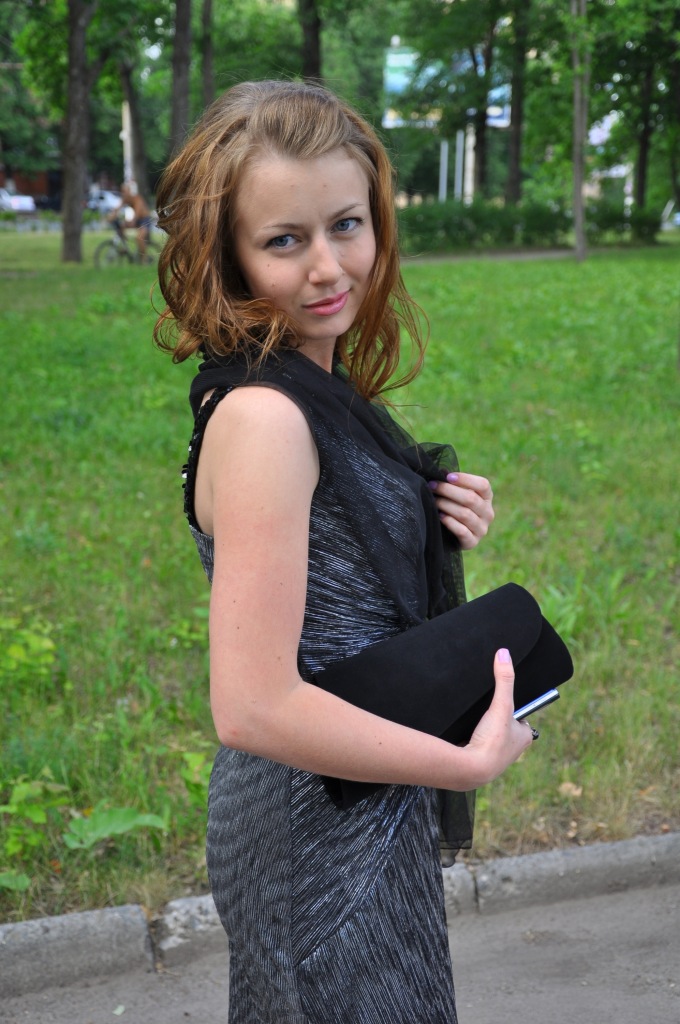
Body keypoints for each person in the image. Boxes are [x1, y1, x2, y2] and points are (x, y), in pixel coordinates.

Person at [154, 80, 534, 1024]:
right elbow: (251, 704)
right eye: (285, 240)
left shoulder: (312, 385)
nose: (329, 267)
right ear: (229, 257)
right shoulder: (266, 418)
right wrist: (462, 765)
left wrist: (432, 511)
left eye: (347, 225)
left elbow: (333, 554)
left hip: (363, 793)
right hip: (313, 824)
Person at [108, 181, 152, 260]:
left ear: (129, 191)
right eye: (122, 191)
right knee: (121, 226)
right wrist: (111, 217)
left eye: (125, 191)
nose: (123, 193)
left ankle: (144, 258)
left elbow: (138, 212)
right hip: (137, 220)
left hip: (145, 220)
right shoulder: (125, 199)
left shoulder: (137, 198)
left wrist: (133, 221)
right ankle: (125, 246)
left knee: (139, 238)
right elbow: (117, 209)